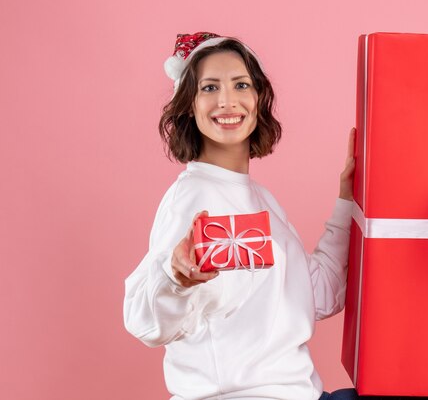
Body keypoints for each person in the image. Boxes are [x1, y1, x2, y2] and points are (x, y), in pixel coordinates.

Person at [123, 32, 357, 400]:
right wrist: (176, 278)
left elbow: (318, 296)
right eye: (210, 88)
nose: (227, 101)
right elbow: (145, 322)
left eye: (241, 85)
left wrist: (347, 201)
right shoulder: (192, 198)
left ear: (259, 98)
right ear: (188, 105)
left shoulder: (259, 198)